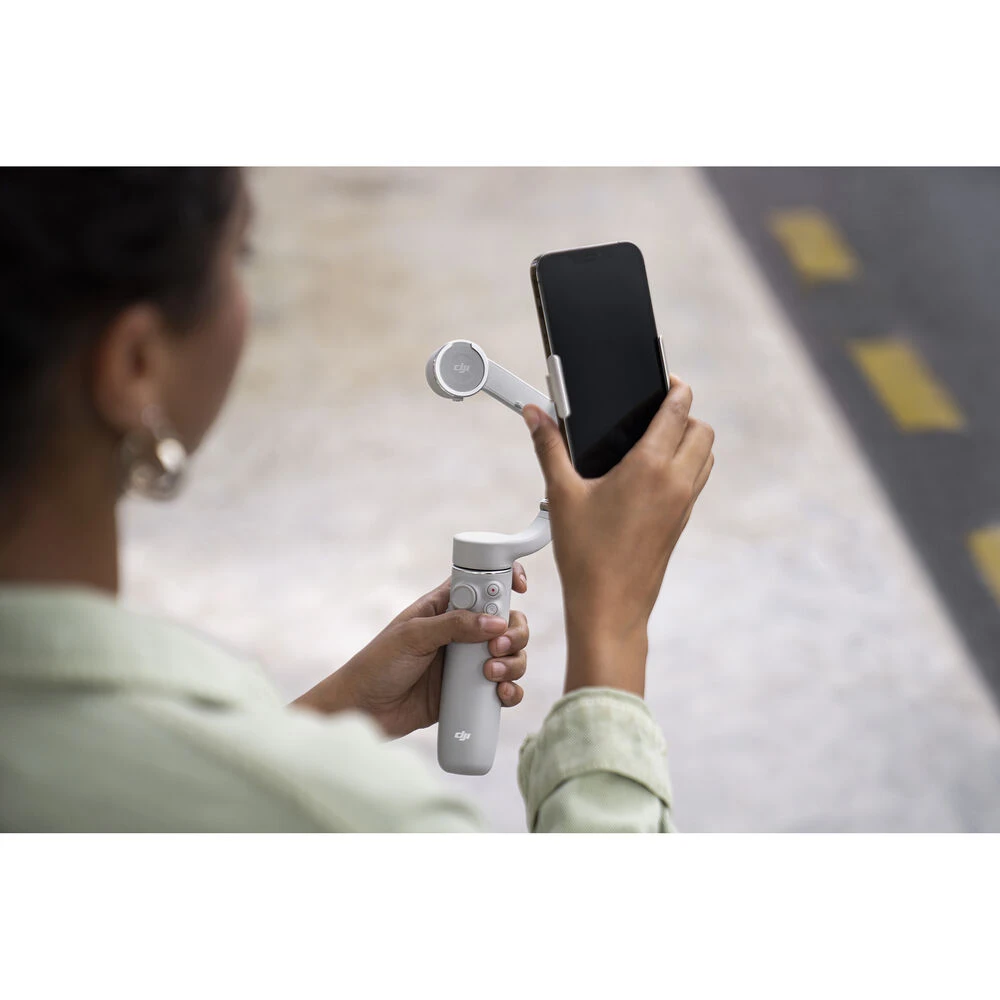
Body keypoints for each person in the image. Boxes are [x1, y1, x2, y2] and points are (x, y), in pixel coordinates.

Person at [0, 168, 715, 832]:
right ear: (136, 363)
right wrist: (613, 623)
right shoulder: (361, 820)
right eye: (241, 255)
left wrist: (336, 713)